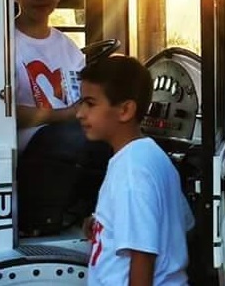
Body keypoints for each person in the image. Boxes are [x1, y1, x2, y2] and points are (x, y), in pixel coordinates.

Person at [13, 0, 111, 233]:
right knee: (78, 137)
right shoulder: (3, 44)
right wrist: (63, 115)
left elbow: (84, 95)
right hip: (27, 153)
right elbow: (1, 113)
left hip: (66, 148)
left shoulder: (66, 47)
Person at [77, 55, 194, 286]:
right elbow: (184, 224)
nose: (80, 113)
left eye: (90, 103)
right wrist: (103, 227)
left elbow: (142, 256)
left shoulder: (131, 171)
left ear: (125, 110)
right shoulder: (150, 156)